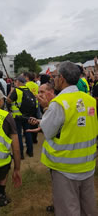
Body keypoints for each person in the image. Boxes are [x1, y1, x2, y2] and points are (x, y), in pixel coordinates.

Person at [39, 61, 97, 216]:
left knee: (68, 210)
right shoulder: (90, 100)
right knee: (88, 209)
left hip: (65, 168)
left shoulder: (58, 103)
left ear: (62, 78)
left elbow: (47, 130)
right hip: (87, 164)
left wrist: (46, 108)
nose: (54, 80)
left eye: (55, 76)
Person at [7, 76, 33, 159]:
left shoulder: (17, 90)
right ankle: (30, 151)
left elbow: (8, 100)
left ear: (18, 82)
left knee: (18, 135)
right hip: (27, 115)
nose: (15, 82)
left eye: (16, 81)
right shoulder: (28, 90)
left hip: (17, 116)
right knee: (28, 132)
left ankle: (20, 154)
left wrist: (11, 92)